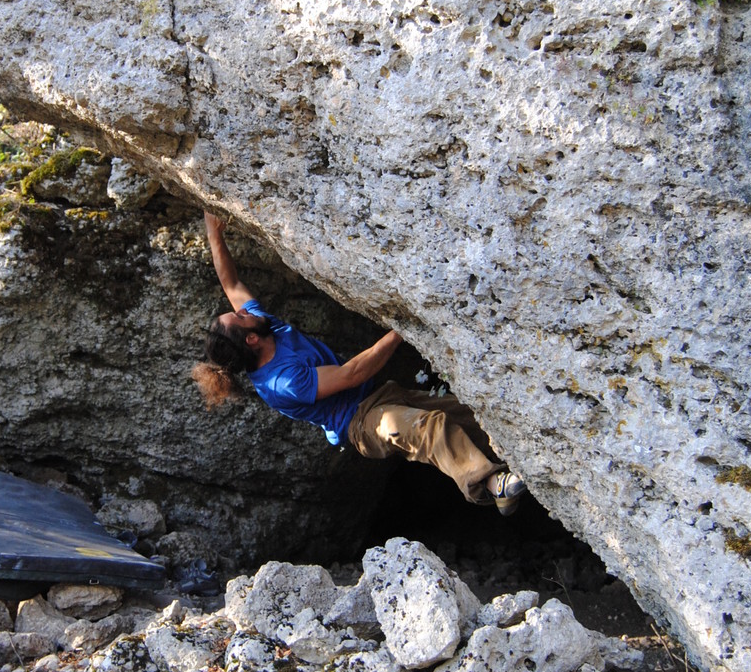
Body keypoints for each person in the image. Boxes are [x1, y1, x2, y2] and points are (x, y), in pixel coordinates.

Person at [195, 212, 526, 515]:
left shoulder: (264, 328)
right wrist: (402, 329)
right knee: (429, 428)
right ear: (251, 340)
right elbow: (351, 374)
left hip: (381, 394)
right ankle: (491, 484)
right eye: (240, 317)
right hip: (362, 422)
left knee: (466, 416)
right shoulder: (282, 382)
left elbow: (231, 283)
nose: (244, 310)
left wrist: (213, 231)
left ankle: (527, 462)